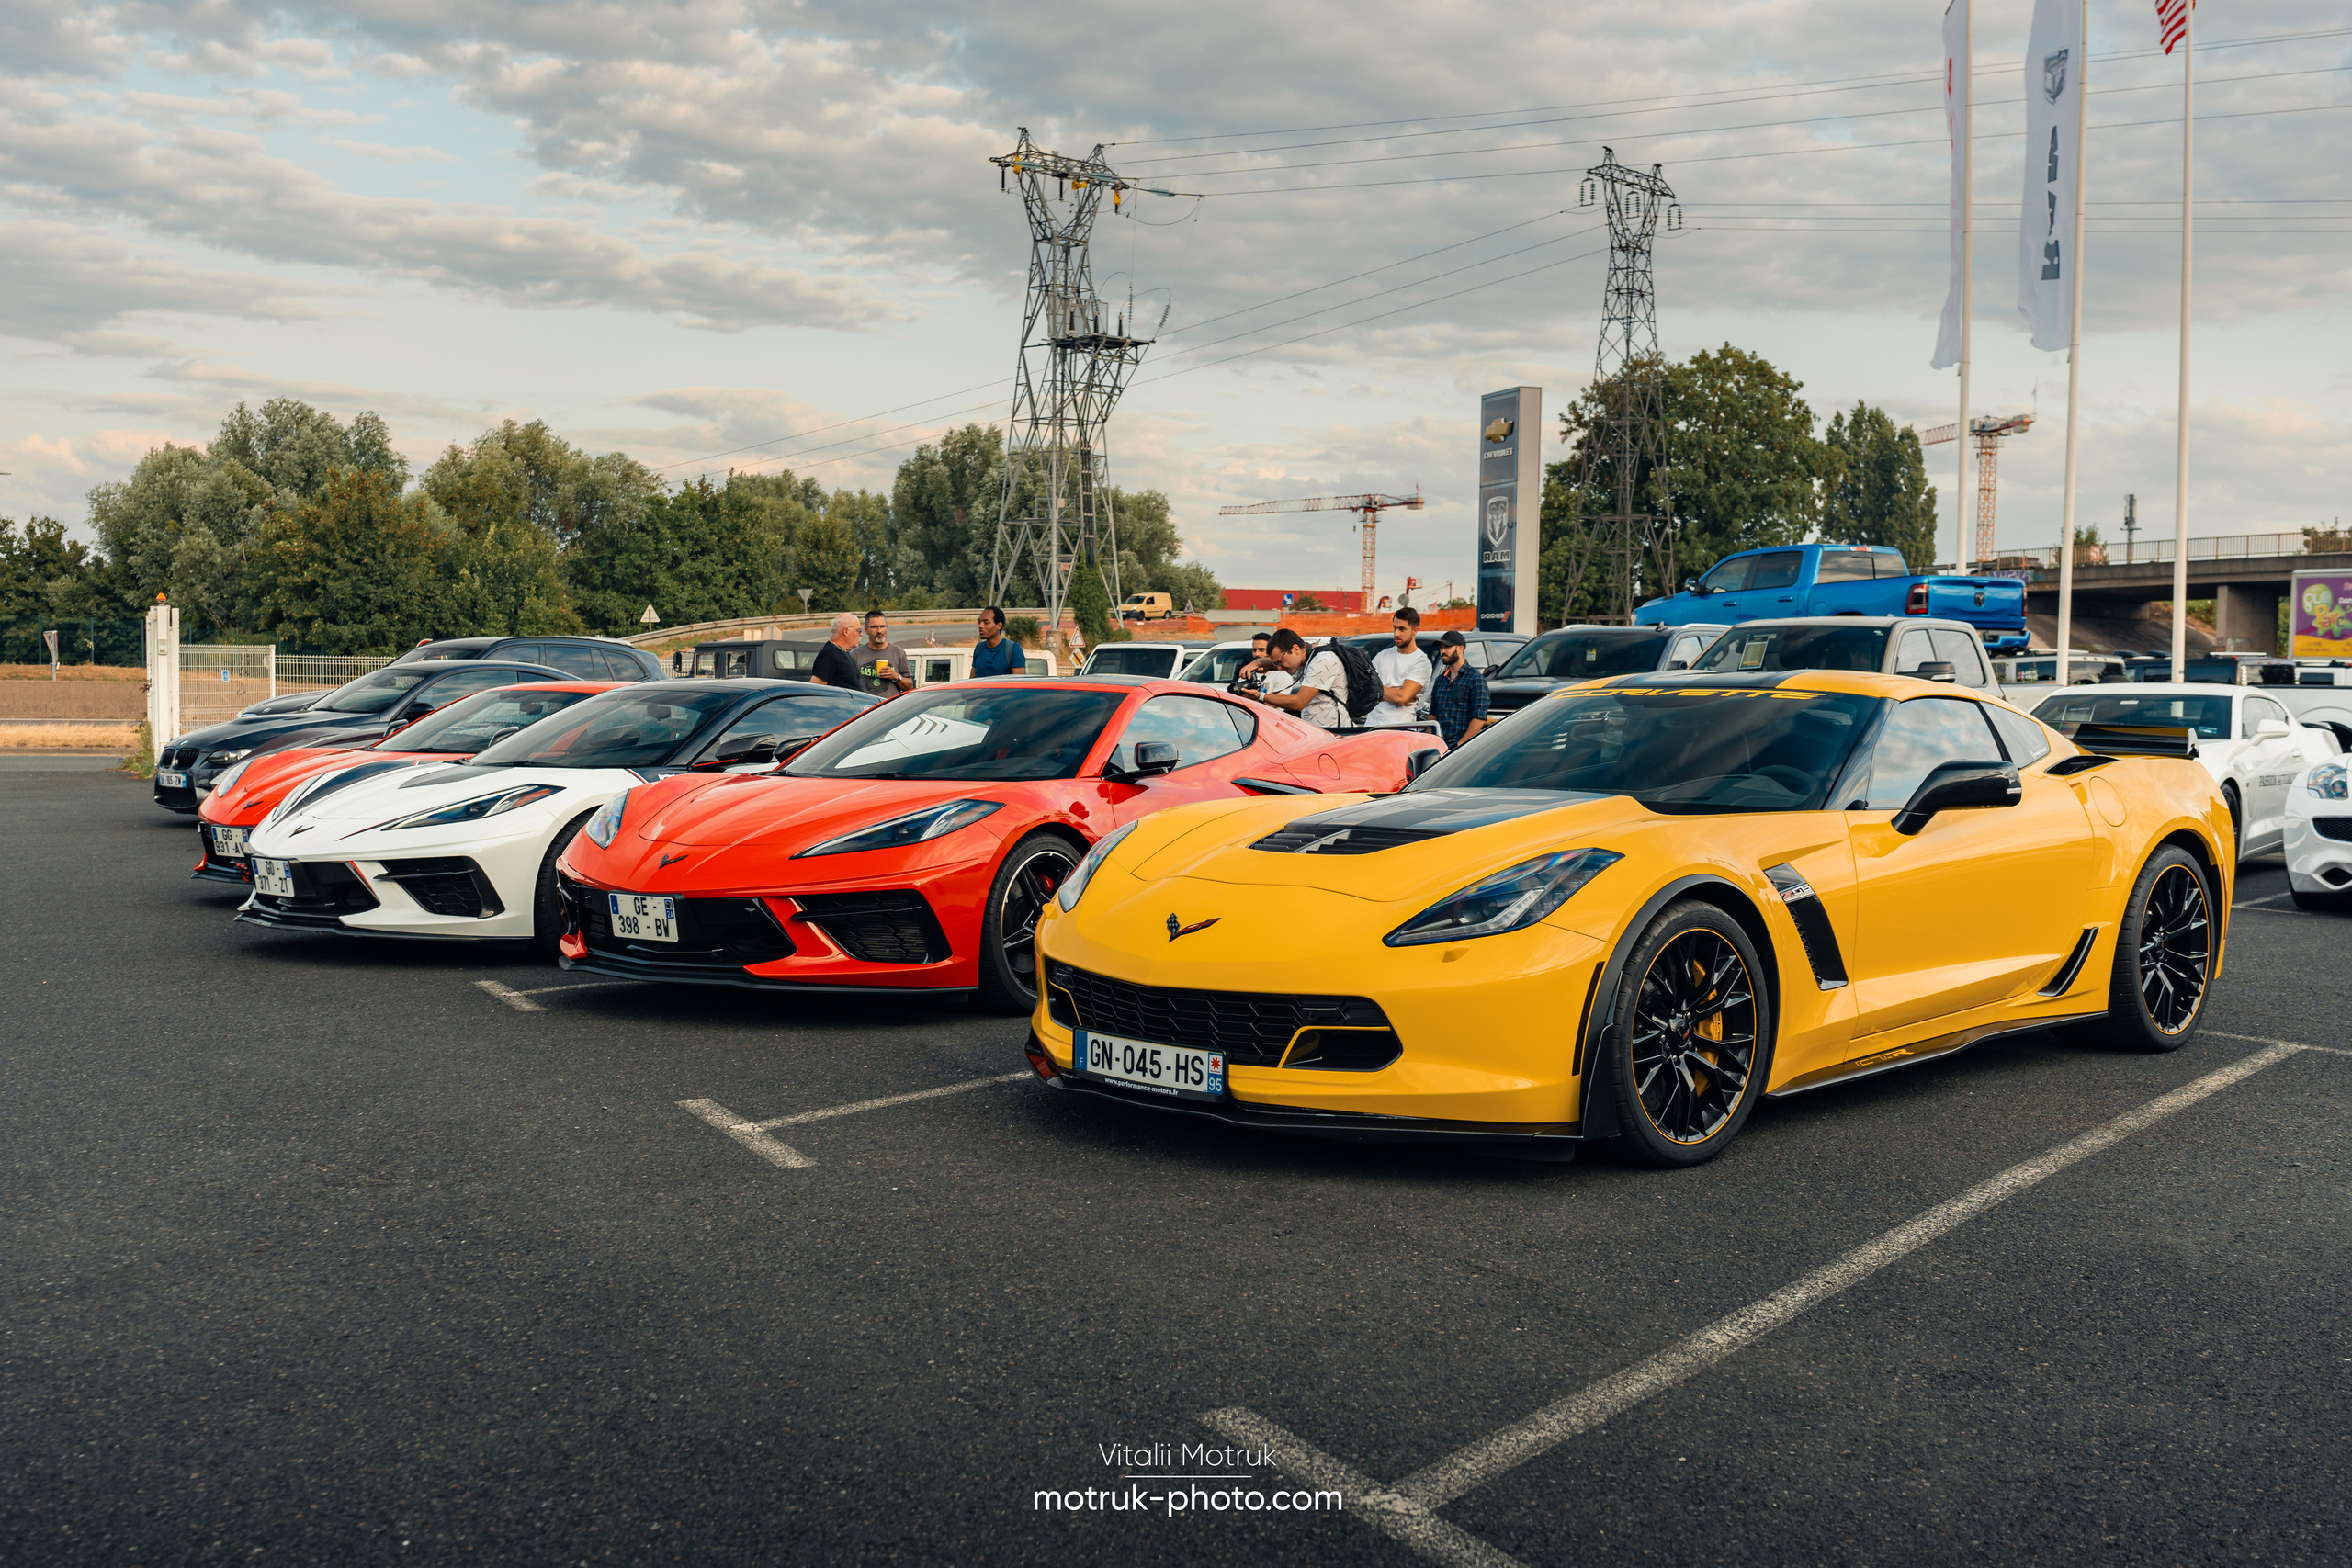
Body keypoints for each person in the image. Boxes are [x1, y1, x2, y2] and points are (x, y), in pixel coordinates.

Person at [1251, 628, 1346, 729]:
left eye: (1280, 661)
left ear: (1296, 649)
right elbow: (1272, 661)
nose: (1279, 668)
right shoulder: (1306, 658)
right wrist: (1256, 663)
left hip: (1333, 730)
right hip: (1316, 729)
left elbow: (1299, 703)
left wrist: (1260, 696)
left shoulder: (1322, 660)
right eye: (1276, 664)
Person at [1369, 607, 1431, 728]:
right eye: (1395, 628)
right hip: (1372, 726)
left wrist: (1378, 692)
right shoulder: (1382, 655)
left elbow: (1402, 698)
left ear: (1415, 630)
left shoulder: (1421, 662)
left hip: (1401, 729)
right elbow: (1364, 689)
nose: (1396, 633)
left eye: (1402, 629)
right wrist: (1395, 693)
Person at [1430, 628, 1491, 750]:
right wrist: (1431, 743)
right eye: (1441, 648)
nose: (1443, 651)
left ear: (1460, 649)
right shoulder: (1440, 680)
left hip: (1462, 749)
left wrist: (1460, 746)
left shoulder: (1475, 678)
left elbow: (1479, 718)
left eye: (1447, 647)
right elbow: (1432, 715)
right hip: (1439, 747)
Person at [859, 609, 914, 697]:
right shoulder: (856, 654)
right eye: (874, 627)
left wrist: (895, 676)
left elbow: (909, 686)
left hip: (890, 705)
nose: (879, 631)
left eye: (882, 626)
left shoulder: (898, 652)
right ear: (866, 630)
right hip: (865, 704)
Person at [808, 612, 863, 688]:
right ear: (846, 631)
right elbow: (815, 688)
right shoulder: (829, 655)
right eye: (858, 631)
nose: (861, 634)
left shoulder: (842, 652)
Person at [972, 606, 1027, 678]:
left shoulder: (1013, 649)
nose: (980, 626)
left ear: (999, 626)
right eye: (979, 622)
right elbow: (972, 681)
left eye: (986, 623)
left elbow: (1018, 682)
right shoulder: (979, 648)